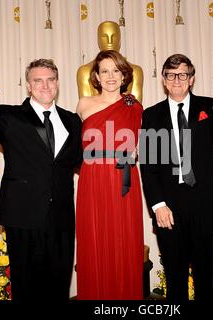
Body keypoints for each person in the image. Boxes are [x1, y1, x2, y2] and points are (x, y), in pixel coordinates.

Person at [0, 58, 82, 301]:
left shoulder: (72, 120)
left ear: (57, 83)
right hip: (23, 217)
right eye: (38, 80)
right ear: (28, 85)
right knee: (26, 290)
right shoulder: (10, 115)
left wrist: (120, 156)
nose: (45, 86)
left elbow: (83, 161)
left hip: (61, 219)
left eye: (50, 80)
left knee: (59, 287)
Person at [139, 54, 213, 301]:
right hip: (169, 204)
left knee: (204, 270)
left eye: (182, 74)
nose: (177, 80)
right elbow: (148, 165)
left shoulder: (210, 106)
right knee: (174, 273)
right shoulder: (151, 115)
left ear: (191, 79)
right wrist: (158, 204)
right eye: (171, 75)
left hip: (205, 199)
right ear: (164, 80)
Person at [75, 50, 144, 299]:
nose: (111, 76)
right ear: (96, 76)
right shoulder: (84, 104)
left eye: (116, 70)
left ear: (124, 74)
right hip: (92, 180)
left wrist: (137, 151)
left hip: (123, 179)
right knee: (93, 240)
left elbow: (142, 147)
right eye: (105, 70)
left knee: (123, 242)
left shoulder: (135, 106)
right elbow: (74, 147)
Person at [77, 20, 144, 103]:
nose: (109, 41)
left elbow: (135, 108)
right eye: (104, 36)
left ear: (120, 39)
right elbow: (86, 109)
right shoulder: (85, 71)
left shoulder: (135, 70)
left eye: (114, 36)